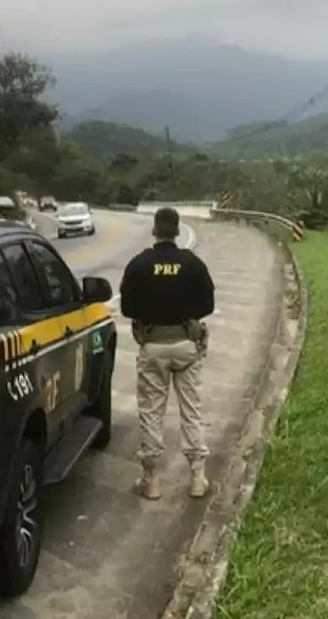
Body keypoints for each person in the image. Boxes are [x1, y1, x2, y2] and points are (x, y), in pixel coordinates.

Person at [119, 207, 216, 500]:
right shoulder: (193, 264)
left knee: (151, 412)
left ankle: (151, 481)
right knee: (192, 410)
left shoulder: (138, 265)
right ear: (176, 231)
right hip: (187, 346)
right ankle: (198, 478)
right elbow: (207, 304)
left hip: (152, 347)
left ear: (155, 230)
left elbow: (126, 309)